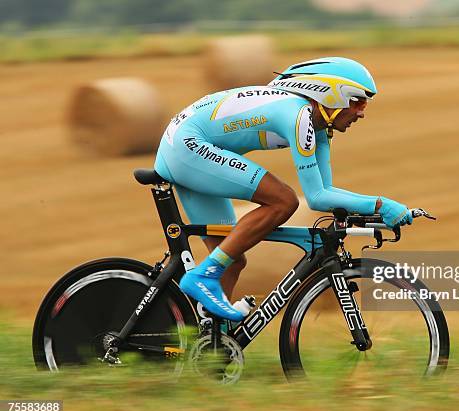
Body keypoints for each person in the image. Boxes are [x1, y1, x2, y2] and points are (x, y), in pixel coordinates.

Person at [153, 57, 412, 322]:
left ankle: (213, 348)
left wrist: (375, 209)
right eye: (357, 101)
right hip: (187, 148)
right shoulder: (299, 116)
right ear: (331, 94)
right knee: (283, 201)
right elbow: (317, 198)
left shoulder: (319, 127)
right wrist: (382, 206)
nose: (362, 111)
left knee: (232, 260)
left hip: (185, 147)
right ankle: (201, 276)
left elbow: (327, 190)